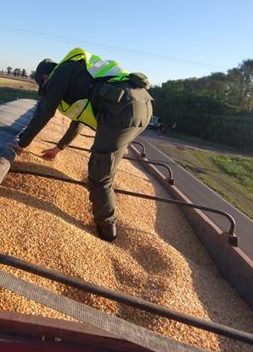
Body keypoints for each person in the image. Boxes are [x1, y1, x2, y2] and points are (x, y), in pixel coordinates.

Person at [15, 47, 153, 242]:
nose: (46, 88)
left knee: (99, 175)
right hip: (143, 106)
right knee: (106, 167)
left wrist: (22, 143)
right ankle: (106, 211)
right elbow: (79, 118)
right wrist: (59, 147)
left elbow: (45, 110)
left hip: (121, 109)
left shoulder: (60, 73)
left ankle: (107, 233)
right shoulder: (79, 72)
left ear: (45, 76)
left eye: (43, 84)